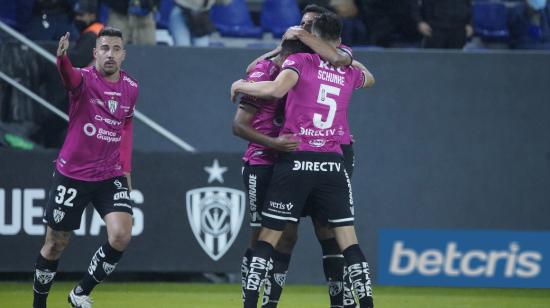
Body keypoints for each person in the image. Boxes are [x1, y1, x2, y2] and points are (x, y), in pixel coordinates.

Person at [232, 12, 375, 308]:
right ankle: (364, 303)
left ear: (313, 35)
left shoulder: (301, 62)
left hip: (296, 157)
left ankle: (249, 303)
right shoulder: (347, 68)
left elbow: (274, 89)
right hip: (331, 162)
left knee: (268, 237)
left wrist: (239, 85)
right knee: (348, 240)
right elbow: (370, 78)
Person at [32, 27, 138, 308]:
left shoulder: (131, 88)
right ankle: (38, 304)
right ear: (95, 53)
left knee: (121, 235)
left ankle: (80, 292)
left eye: (116, 49)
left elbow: (126, 128)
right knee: (55, 244)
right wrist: (62, 59)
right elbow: (69, 77)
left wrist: (125, 170)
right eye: (104, 48)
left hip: (109, 173)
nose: (110, 54)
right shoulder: (84, 80)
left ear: (124, 55)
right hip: (73, 175)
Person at [233, 39, 311, 308]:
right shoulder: (263, 73)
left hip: (289, 164)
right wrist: (273, 143)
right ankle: (249, 300)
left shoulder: (300, 74)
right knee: (260, 237)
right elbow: (238, 126)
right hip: (260, 163)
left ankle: (271, 302)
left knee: (289, 235)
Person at [70, 0, 103, 67]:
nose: (77, 18)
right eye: (76, 15)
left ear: (92, 16)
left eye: (81, 15)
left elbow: (78, 61)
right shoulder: (100, 28)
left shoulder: (92, 34)